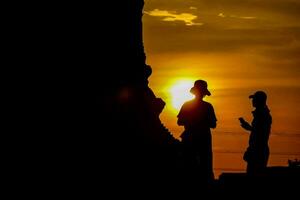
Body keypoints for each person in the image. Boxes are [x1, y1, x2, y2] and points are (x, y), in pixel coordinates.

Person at [177, 80, 217, 183]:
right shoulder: (206, 106)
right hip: (195, 138)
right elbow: (180, 121)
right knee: (191, 164)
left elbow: (213, 124)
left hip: (200, 139)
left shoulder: (206, 106)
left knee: (202, 164)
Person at [239, 91, 272, 175]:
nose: (252, 101)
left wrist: (249, 128)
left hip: (258, 150)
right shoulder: (262, 114)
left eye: (254, 99)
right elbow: (258, 131)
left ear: (260, 101)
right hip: (258, 149)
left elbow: (260, 135)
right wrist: (249, 127)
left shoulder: (262, 115)